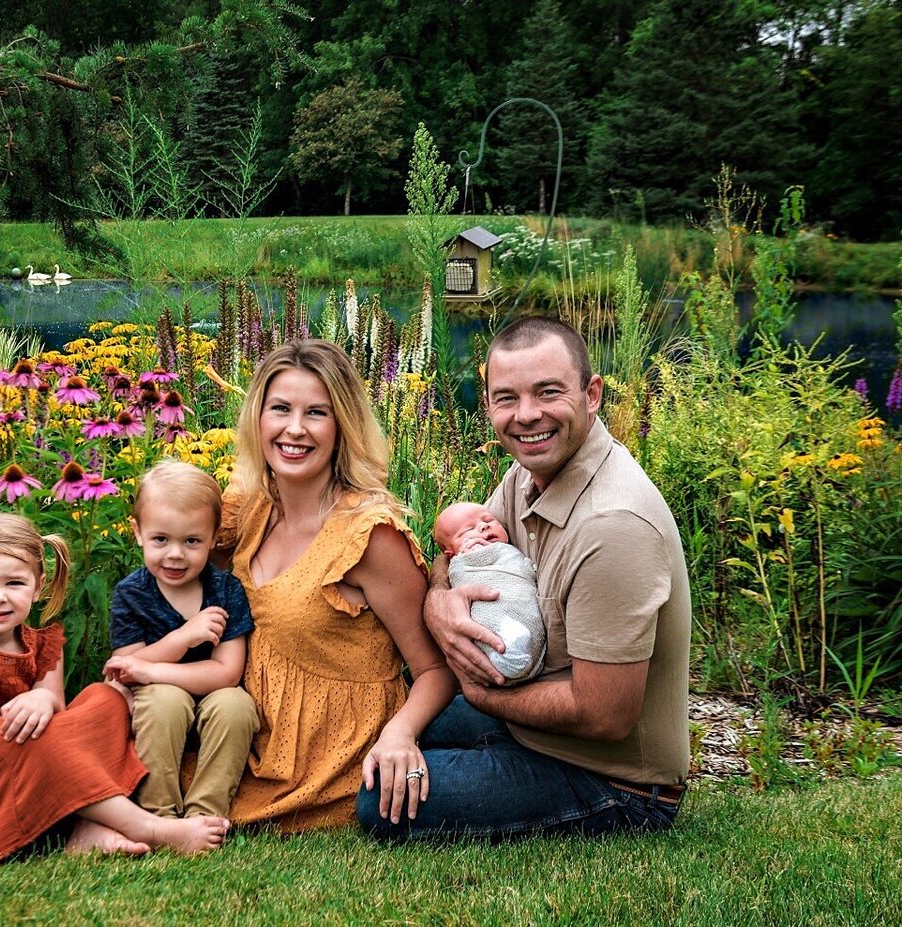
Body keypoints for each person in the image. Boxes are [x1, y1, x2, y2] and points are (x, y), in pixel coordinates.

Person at [358, 316, 691, 840]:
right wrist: (438, 605)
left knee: (381, 800)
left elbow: (605, 715)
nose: (527, 415)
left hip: (614, 781)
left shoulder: (614, 526)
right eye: (506, 398)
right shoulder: (528, 476)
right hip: (532, 727)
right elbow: (458, 555)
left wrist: (478, 691)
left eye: (548, 392)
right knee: (383, 734)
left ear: (592, 394)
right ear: (488, 404)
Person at [0, 513, 230, 874]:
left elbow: (58, 713)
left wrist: (43, 698)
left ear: (38, 587)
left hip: (31, 768)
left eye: (14, 583)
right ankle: (147, 826)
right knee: (41, 740)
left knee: (109, 697)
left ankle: (82, 830)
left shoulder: (44, 644)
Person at [216, 339, 457, 831]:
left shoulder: (369, 534)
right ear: (257, 418)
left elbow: (436, 668)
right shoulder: (249, 506)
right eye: (280, 408)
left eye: (317, 413)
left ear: (342, 425)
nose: (295, 429)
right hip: (245, 739)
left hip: (331, 764)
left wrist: (400, 735)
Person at [104, 459, 259, 820]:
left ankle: (206, 813)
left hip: (213, 694)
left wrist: (150, 670)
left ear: (214, 537)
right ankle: (159, 813)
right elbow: (128, 667)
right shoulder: (131, 594)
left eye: (191, 541)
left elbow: (227, 673)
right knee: (164, 701)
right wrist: (184, 638)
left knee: (236, 707)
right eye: (161, 539)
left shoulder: (224, 590)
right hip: (158, 706)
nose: (175, 554)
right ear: (138, 532)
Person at [432, 501, 544, 684]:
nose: (483, 526)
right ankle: (507, 649)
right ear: (451, 553)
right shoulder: (463, 558)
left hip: (520, 600)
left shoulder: (506, 550)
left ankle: (517, 648)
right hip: (492, 606)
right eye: (468, 530)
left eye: (488, 519)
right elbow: (454, 566)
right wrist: (470, 555)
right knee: (490, 620)